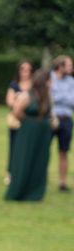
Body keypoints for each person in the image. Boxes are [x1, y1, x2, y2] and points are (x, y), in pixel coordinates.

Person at [6, 69, 53, 201]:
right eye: (49, 80)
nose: (51, 83)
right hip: (28, 132)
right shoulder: (27, 96)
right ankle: (19, 191)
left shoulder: (47, 96)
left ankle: (35, 192)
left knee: (40, 161)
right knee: (24, 159)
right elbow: (16, 112)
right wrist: (29, 122)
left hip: (43, 134)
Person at [50, 55, 74, 192]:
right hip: (51, 118)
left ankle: (63, 182)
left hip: (66, 119)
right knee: (43, 150)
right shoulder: (49, 78)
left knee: (64, 151)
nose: (71, 68)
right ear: (60, 67)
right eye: (69, 65)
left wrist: (58, 96)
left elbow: (72, 101)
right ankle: (40, 180)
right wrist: (65, 97)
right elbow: (49, 98)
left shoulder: (71, 81)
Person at [6, 60, 33, 179]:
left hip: (30, 120)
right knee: (14, 146)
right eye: (23, 69)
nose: (25, 72)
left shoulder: (34, 85)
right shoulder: (14, 85)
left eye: (28, 70)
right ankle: (11, 172)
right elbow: (9, 101)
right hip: (17, 121)